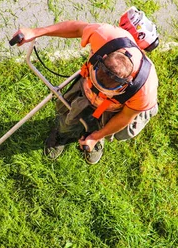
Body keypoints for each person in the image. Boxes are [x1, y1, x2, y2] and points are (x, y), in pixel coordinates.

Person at [12, 20, 158, 164]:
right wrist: (36, 32)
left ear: (127, 82)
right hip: (85, 88)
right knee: (68, 117)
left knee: (103, 128)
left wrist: (96, 136)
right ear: (104, 57)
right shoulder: (106, 36)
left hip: (114, 108)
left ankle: (95, 138)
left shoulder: (144, 88)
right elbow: (77, 28)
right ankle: (63, 134)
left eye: (106, 89)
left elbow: (125, 117)